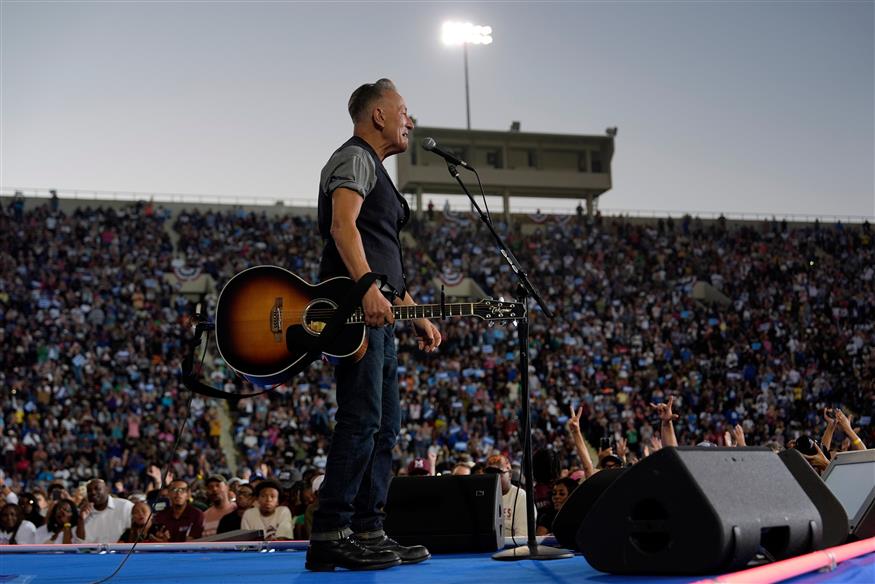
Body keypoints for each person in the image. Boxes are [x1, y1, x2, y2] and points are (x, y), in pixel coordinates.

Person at [306, 78, 439, 572]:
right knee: (361, 420)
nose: (411, 119)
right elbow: (343, 227)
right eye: (404, 110)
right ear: (377, 115)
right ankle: (331, 532)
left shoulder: (376, 170)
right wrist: (364, 288)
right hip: (355, 312)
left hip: (377, 311)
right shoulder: (356, 157)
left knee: (385, 426)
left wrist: (416, 311)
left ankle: (368, 530)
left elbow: (379, 258)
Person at [485, 454, 530, 539]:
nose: (493, 477)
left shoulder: (520, 496)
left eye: (499, 473)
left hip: (510, 549)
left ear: (509, 475)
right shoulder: (483, 494)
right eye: (489, 473)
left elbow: (522, 537)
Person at [79, 479, 134, 543]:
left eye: (97, 488)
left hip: (124, 551)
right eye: (89, 491)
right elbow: (80, 543)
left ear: (107, 489)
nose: (93, 492)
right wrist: (81, 520)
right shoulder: (84, 515)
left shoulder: (125, 506)